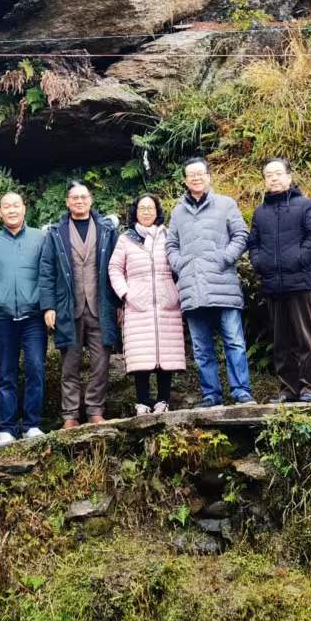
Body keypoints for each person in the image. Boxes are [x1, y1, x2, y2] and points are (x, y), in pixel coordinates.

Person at [167, 159, 253, 407]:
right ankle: (211, 395)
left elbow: (241, 235)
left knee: (234, 341)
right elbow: (171, 244)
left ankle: (241, 392)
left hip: (223, 284)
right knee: (201, 347)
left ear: (208, 176)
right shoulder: (178, 211)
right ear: (185, 180)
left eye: (200, 173)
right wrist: (180, 265)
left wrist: (224, 258)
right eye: (190, 175)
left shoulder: (226, 204)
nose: (196, 178)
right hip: (192, 287)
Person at [38, 182, 120, 427]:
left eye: (84, 197)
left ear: (91, 200)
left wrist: (119, 304)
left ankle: (95, 410)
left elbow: (118, 267)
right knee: (69, 365)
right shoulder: (56, 233)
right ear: (67, 202)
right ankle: (70, 415)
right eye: (74, 198)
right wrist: (49, 306)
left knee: (100, 363)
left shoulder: (107, 230)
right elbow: (46, 271)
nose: (79, 201)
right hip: (68, 308)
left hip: (100, 307)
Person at [247, 159, 311, 403]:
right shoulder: (260, 212)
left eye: (278, 173)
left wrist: (299, 259)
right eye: (269, 175)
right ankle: (288, 390)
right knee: (281, 342)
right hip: (272, 284)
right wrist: (260, 263)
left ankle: (310, 388)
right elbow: (253, 244)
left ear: (289, 177)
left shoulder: (304, 205)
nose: (274, 178)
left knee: (304, 339)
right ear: (264, 180)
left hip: (299, 282)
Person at [0, 191, 48, 445]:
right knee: (6, 372)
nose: (12, 210)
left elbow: (48, 273)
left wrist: (39, 299)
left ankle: (32, 425)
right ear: (0, 213)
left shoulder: (40, 238)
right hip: (4, 317)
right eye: (6, 206)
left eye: (16, 205)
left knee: (35, 368)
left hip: (33, 317)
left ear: (24, 208)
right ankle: (6, 429)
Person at [108, 194, 186, 416]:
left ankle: (163, 400)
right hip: (137, 305)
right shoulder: (126, 239)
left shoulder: (168, 235)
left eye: (150, 208)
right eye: (142, 208)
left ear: (157, 211)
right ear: (135, 212)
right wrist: (126, 293)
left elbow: (181, 264)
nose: (146, 212)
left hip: (167, 303)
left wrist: (177, 291)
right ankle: (142, 401)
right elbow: (114, 268)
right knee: (141, 354)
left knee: (166, 354)